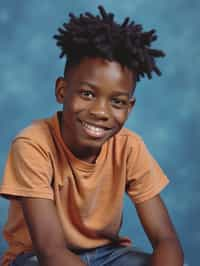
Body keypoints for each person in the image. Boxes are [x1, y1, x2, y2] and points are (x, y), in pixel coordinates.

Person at [0, 5, 184, 266]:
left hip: (108, 255)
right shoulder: (32, 145)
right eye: (87, 94)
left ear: (129, 108)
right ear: (62, 91)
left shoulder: (129, 147)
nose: (101, 112)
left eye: (117, 102)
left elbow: (166, 239)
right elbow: (50, 251)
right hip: (37, 258)